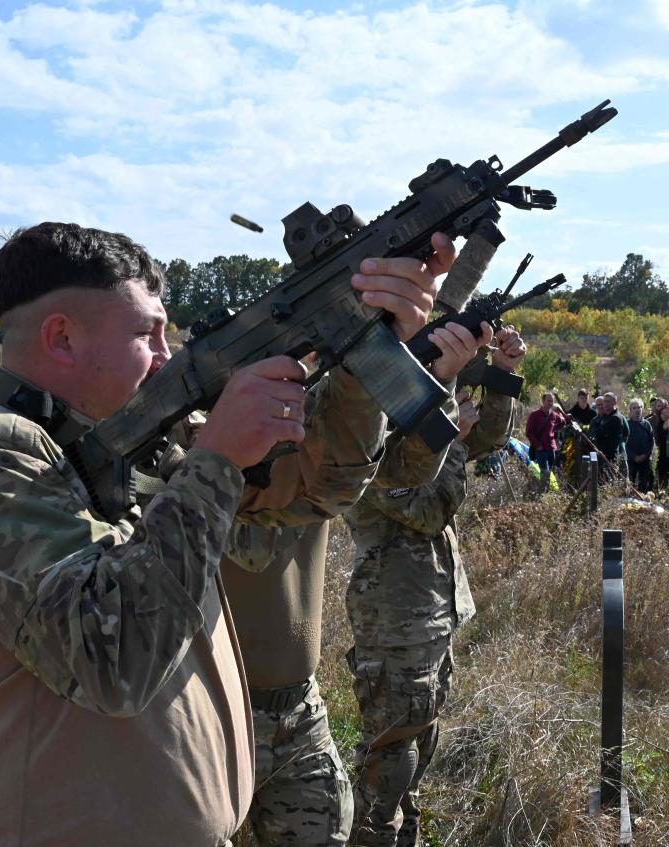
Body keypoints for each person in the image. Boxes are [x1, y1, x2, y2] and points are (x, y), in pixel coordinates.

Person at [0, 221, 456, 847]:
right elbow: (113, 659)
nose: (168, 355)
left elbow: (316, 488)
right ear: (61, 337)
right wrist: (217, 459)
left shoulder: (135, 443)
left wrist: (360, 343)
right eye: (146, 333)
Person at [222, 327, 522, 847]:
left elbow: (481, 441)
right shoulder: (343, 459)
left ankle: (393, 832)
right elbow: (428, 508)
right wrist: (446, 428)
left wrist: (501, 377)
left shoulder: (367, 445)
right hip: (392, 613)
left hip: (417, 616)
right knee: (390, 751)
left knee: (415, 742)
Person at [344, 381, 516, 847]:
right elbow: (430, 510)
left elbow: (490, 438)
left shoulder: (418, 442)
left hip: (432, 617)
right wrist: (453, 441)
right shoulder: (372, 453)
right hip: (395, 623)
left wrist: (502, 377)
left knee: (416, 758)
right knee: (388, 764)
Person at [525, 393, 567, 489]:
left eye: (552, 401)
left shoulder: (554, 415)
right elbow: (529, 433)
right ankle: (544, 493)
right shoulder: (534, 415)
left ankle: (548, 491)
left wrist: (555, 428)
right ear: (543, 401)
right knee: (545, 472)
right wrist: (538, 445)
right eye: (548, 400)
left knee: (551, 471)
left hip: (551, 448)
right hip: (541, 449)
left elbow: (563, 422)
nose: (550, 403)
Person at [588, 392, 629, 482]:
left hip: (610, 457)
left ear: (614, 402)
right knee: (601, 482)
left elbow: (600, 432)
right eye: (605, 402)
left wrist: (597, 431)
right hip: (602, 455)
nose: (605, 404)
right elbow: (593, 432)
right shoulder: (605, 417)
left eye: (608, 402)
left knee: (611, 481)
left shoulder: (616, 418)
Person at [625, 398, 655, 493]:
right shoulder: (627, 425)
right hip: (631, 460)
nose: (637, 410)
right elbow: (624, 444)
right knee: (629, 485)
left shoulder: (647, 424)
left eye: (639, 407)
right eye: (634, 408)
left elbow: (651, 442)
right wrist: (634, 457)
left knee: (645, 486)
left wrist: (645, 455)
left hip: (645, 460)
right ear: (630, 410)